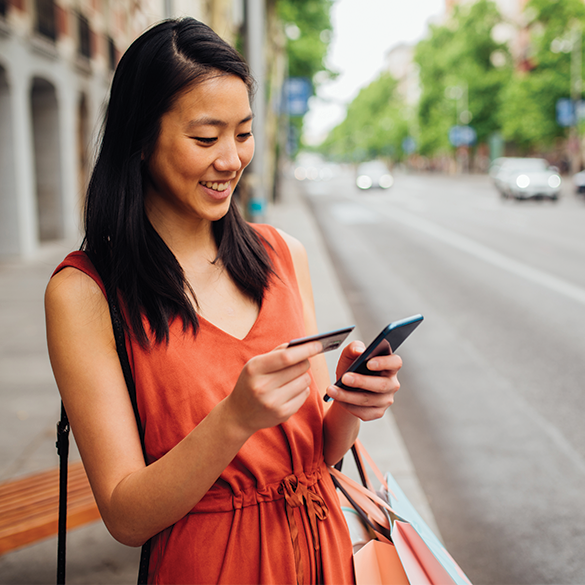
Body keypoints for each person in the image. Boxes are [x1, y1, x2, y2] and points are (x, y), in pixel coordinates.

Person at [45, 17, 402, 584]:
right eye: (206, 138)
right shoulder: (85, 291)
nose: (233, 159)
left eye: (244, 133)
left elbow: (318, 455)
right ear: (141, 139)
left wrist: (352, 406)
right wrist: (233, 419)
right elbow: (125, 515)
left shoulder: (283, 254)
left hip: (325, 559)